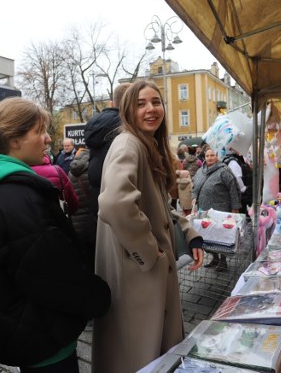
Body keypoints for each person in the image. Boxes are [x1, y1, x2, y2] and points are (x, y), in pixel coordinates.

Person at [0, 97, 110, 372]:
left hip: (24, 329)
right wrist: (100, 297)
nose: (47, 139)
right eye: (39, 131)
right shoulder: (20, 200)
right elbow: (55, 278)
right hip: (45, 338)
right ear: (14, 140)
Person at [93, 80, 204, 373]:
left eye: (156, 102)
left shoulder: (146, 144)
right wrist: (149, 252)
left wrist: (190, 234)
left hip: (143, 274)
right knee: (139, 354)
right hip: (137, 276)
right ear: (128, 110)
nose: (151, 109)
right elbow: (115, 202)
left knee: (150, 353)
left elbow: (159, 209)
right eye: (141, 103)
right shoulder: (128, 143)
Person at [84, 82, 130, 220]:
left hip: (97, 193)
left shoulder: (94, 123)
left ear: (112, 103)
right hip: (120, 195)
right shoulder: (125, 123)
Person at [192, 147, 241, 272]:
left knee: (220, 235)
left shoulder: (224, 171)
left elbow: (233, 190)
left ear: (217, 156)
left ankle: (223, 261)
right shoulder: (200, 171)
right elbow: (195, 185)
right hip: (204, 209)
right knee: (207, 234)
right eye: (207, 156)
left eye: (212, 155)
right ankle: (214, 258)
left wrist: (235, 209)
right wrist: (193, 198)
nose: (209, 158)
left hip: (221, 210)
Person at [67, 147, 94, 270]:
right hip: (92, 218)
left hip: (77, 220)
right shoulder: (93, 167)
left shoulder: (71, 170)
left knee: (84, 257)